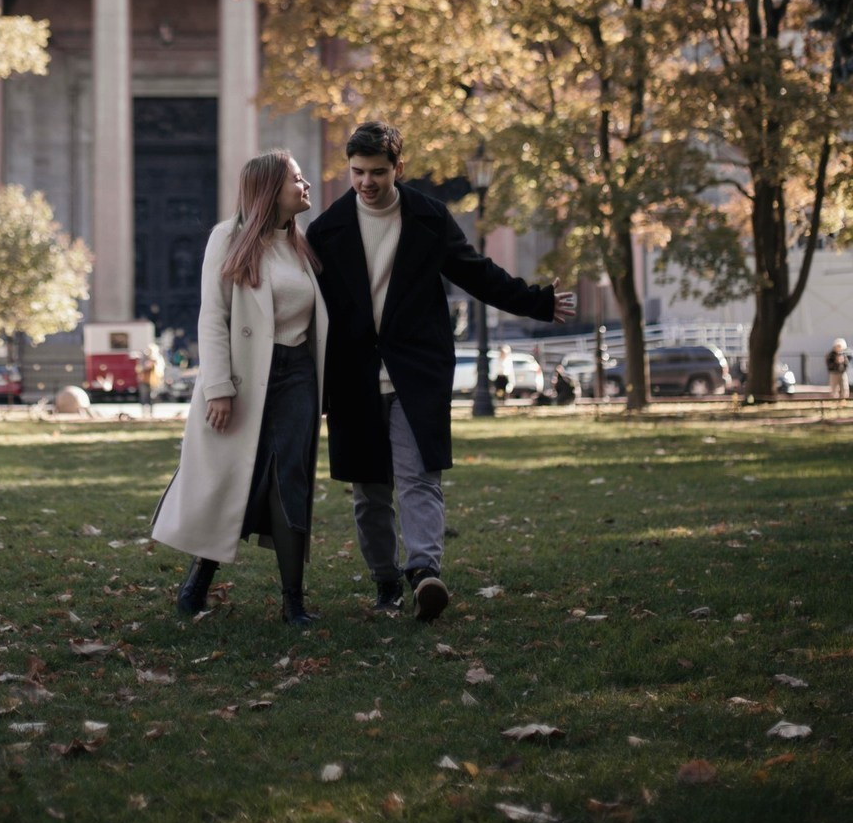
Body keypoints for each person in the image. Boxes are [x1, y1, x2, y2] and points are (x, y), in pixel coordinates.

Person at [307, 122, 575, 623]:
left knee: (419, 477)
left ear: (399, 169)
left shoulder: (429, 217)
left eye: (378, 173)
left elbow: (476, 271)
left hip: (416, 371)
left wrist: (536, 302)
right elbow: (311, 310)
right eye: (358, 172)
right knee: (369, 493)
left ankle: (424, 572)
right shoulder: (326, 230)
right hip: (354, 379)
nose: (366, 182)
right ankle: (386, 582)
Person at [152, 151, 328, 626]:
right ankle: (197, 583)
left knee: (288, 480)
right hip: (246, 377)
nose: (306, 184)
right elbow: (213, 316)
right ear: (271, 187)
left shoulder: (299, 243)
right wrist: (219, 388)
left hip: (297, 377)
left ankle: (294, 602)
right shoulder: (226, 238)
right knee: (235, 478)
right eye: (296, 178)